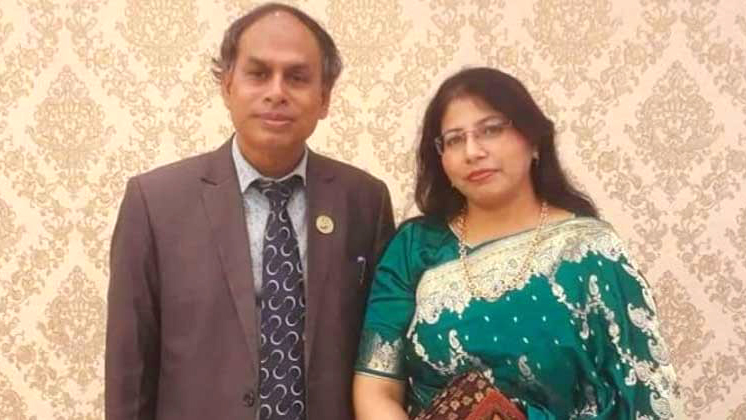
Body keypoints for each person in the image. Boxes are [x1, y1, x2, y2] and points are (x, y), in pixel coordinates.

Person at [105, 3, 395, 420]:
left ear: (324, 97)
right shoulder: (154, 203)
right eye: (258, 74)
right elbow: (129, 372)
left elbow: (382, 355)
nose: (276, 92)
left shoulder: (365, 201)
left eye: (297, 77)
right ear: (227, 86)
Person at [352, 67, 678, 419]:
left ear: (534, 141)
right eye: (454, 140)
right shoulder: (415, 248)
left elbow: (643, 393)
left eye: (491, 130)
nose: (472, 151)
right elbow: (375, 388)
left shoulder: (592, 251)